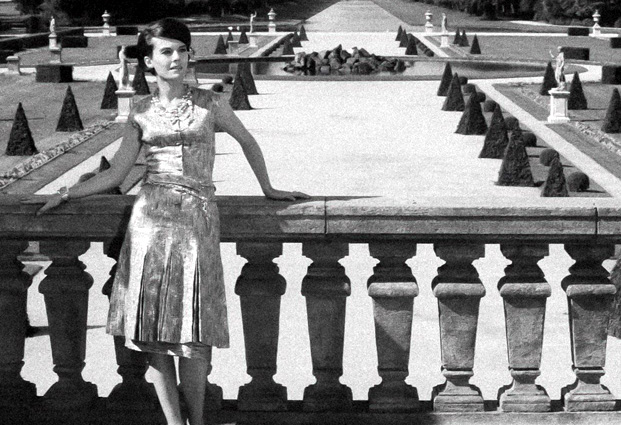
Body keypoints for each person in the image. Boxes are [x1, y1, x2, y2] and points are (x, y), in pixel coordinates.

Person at [22, 17, 309, 425]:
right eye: (166, 51)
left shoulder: (211, 103)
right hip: (149, 225)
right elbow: (117, 173)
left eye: (182, 50)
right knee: (154, 335)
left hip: (196, 223)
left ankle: (199, 421)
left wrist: (269, 188)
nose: (176, 58)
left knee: (195, 333)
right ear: (149, 61)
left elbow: (247, 141)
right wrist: (67, 193)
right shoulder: (140, 110)